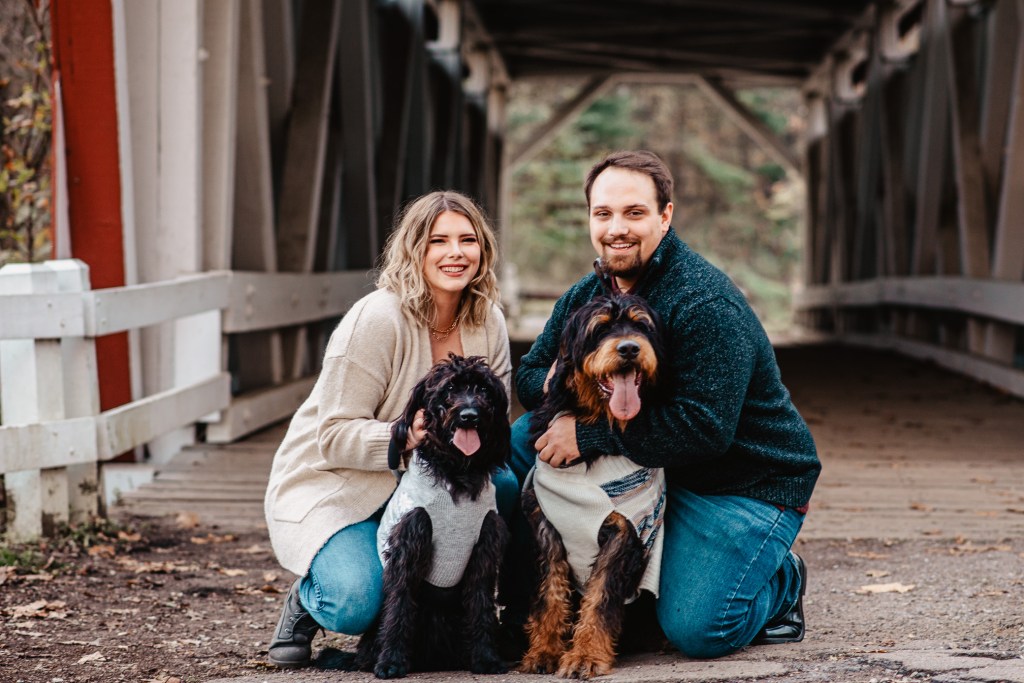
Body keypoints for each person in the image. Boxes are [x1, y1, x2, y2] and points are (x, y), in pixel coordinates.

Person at [509, 150, 821, 659]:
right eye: (603, 214)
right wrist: (558, 394)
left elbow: (705, 430)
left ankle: (781, 580)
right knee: (526, 441)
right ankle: (532, 602)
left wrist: (586, 435)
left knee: (699, 628)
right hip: (654, 468)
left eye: (634, 213)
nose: (617, 229)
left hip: (739, 483)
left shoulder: (705, 302)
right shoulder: (587, 293)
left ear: (665, 216)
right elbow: (529, 374)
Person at [264, 190, 516, 668]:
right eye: (438, 241)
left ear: (483, 249)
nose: (455, 253)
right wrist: (405, 435)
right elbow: (332, 435)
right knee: (357, 602)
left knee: (505, 485)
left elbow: (493, 419)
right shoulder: (377, 318)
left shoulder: (489, 320)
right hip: (345, 483)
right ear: (413, 249)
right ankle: (307, 599)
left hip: (430, 480)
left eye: (468, 240)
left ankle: (498, 620)